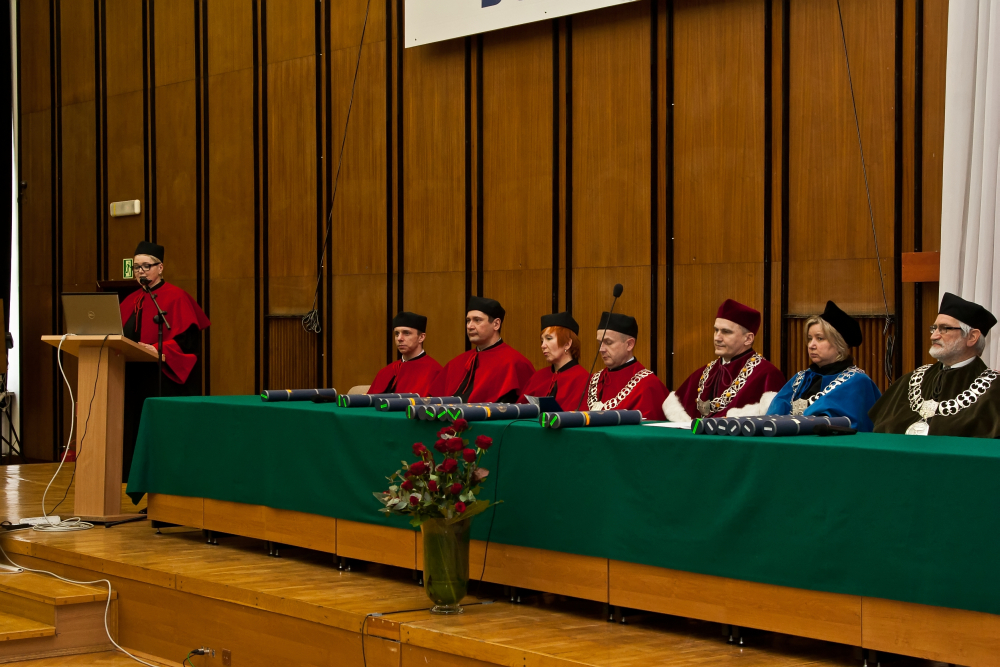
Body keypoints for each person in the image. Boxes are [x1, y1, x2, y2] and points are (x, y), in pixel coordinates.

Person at [120, 241, 210, 482]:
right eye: (136, 267)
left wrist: (159, 349)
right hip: (133, 377)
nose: (140, 271)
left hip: (163, 376)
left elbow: (188, 342)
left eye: (146, 266)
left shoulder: (176, 297)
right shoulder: (130, 300)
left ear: (160, 268)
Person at [869, 292, 999, 437]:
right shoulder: (910, 380)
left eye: (945, 328)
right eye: (934, 328)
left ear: (972, 337)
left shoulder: (995, 390)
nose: (933, 336)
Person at [663, 299, 784, 421]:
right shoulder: (704, 372)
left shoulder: (767, 375)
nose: (717, 338)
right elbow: (677, 406)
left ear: (748, 339)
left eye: (726, 332)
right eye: (716, 330)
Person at [767, 301, 881, 431]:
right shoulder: (801, 378)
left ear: (839, 344)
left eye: (820, 338)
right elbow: (773, 414)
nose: (811, 345)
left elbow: (847, 423)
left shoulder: (857, 381)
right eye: (810, 338)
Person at [429, 296, 534, 403]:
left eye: (477, 320)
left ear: (496, 324)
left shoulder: (515, 362)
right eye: (468, 320)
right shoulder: (456, 363)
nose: (470, 326)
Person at [586, 312, 667, 420]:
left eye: (608, 342)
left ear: (629, 344)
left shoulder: (648, 385)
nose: (601, 349)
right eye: (599, 343)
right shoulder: (594, 380)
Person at [517, 312, 589, 409]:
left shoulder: (583, 379)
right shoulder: (538, 377)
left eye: (549, 338)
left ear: (567, 344)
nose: (543, 345)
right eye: (542, 341)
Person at [367, 312, 442, 396]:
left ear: (421, 337)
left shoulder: (435, 372)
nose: (399, 338)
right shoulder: (386, 371)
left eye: (406, 333)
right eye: (397, 334)